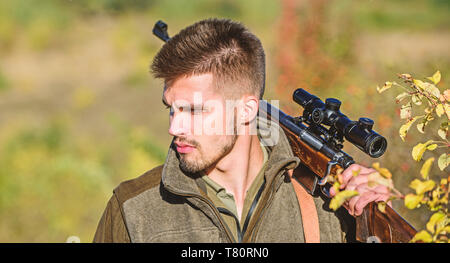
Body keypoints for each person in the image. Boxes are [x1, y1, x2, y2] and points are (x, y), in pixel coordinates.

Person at [93, 18, 391, 243]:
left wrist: (376, 216)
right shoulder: (133, 208)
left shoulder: (329, 206)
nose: (174, 127)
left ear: (247, 110)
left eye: (194, 110)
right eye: (172, 108)